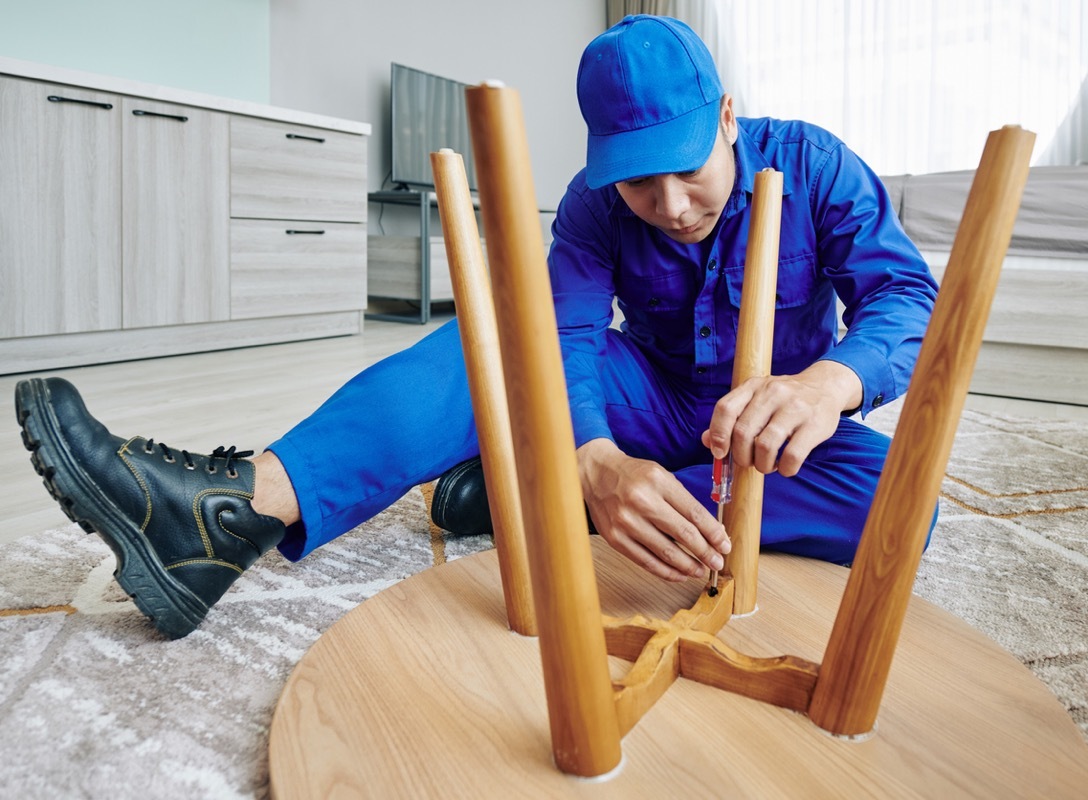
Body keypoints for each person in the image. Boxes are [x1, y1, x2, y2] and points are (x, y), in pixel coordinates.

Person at [13, 15, 938, 639]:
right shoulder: (592, 205)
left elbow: (906, 300)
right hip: (646, 391)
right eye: (637, 177)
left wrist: (830, 384)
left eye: (686, 169)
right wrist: (595, 452)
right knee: (498, 341)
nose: (666, 203)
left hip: (771, 425)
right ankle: (229, 516)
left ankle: (540, 495)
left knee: (907, 506)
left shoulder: (817, 167)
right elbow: (564, 341)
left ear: (728, 118)